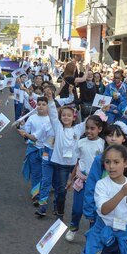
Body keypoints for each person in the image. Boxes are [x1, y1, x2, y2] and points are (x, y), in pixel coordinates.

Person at [38, 89, 85, 219]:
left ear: (73, 117)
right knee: (62, 190)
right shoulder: (58, 128)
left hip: (75, 166)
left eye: (69, 115)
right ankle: (60, 213)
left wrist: (101, 111)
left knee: (79, 189)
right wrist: (51, 100)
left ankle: (78, 214)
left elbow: (89, 122)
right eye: (63, 115)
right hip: (61, 165)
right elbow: (53, 114)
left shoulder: (78, 128)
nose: (66, 117)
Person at [66, 115, 105, 242]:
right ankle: (73, 228)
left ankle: (92, 235)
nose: (89, 131)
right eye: (87, 128)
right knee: (77, 209)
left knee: (94, 211)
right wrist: (70, 179)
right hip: (81, 182)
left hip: (96, 184)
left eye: (92, 128)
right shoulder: (81, 143)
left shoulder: (103, 144)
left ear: (99, 129)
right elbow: (77, 162)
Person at [17, 96, 54, 206]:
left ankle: (43, 192)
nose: (41, 106)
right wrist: (23, 126)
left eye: (43, 104)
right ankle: (36, 195)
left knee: (45, 173)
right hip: (33, 149)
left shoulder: (51, 120)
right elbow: (26, 132)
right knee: (35, 173)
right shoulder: (32, 118)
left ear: (47, 106)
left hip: (46, 150)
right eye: (39, 104)